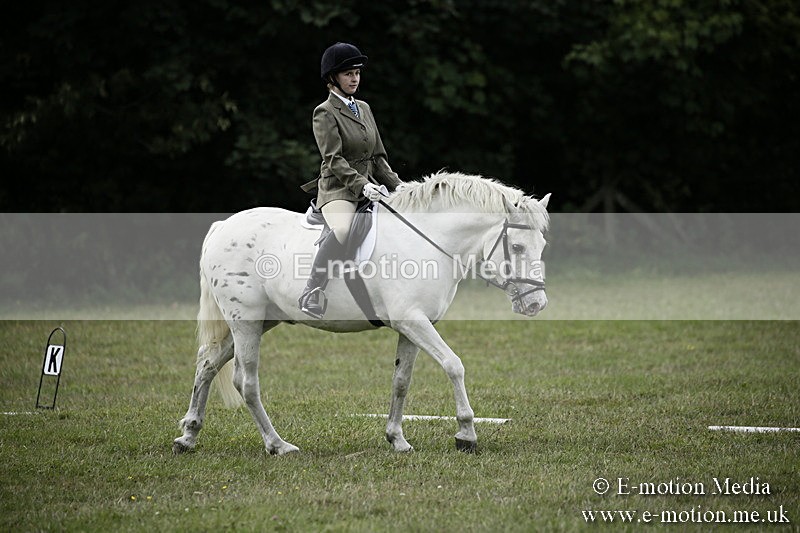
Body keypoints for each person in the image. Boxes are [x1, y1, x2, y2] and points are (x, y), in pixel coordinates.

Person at [298, 42, 403, 318]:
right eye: (348, 73)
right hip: (338, 189)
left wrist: (400, 188)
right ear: (333, 78)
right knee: (343, 231)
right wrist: (362, 185)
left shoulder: (365, 108)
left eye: (357, 72)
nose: (354, 78)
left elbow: (378, 158)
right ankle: (312, 290)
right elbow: (333, 159)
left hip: (370, 187)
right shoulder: (324, 112)